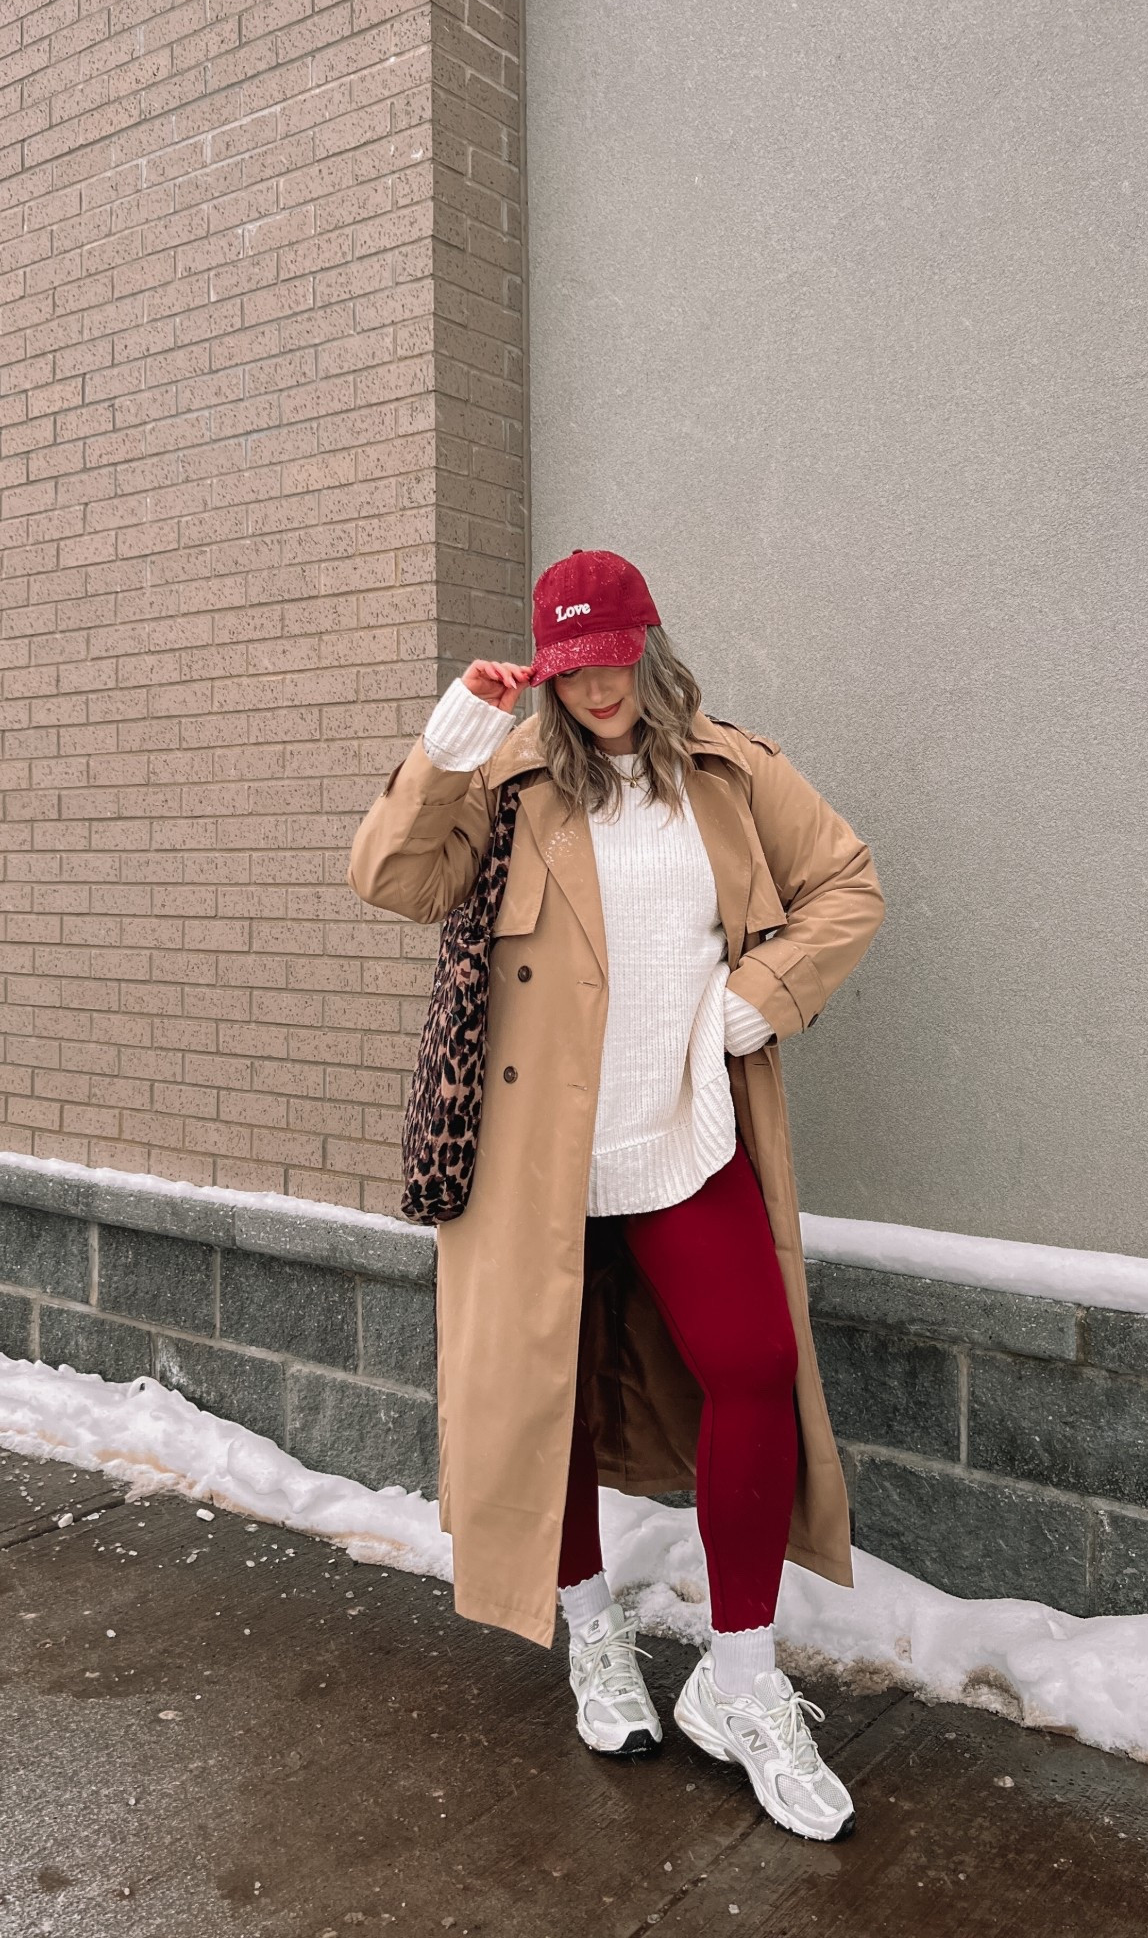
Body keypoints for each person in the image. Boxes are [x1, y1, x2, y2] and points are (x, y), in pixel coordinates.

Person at [347, 549, 885, 1842]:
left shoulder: (731, 771)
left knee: (754, 1367)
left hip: (684, 1140)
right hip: (540, 1166)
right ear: (549, 668)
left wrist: (753, 1006)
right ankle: (594, 1636)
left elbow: (848, 885)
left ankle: (741, 1678)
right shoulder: (505, 780)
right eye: (572, 664)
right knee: (559, 1400)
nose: (600, 687)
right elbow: (388, 876)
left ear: (649, 639)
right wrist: (449, 737)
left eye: (617, 653)